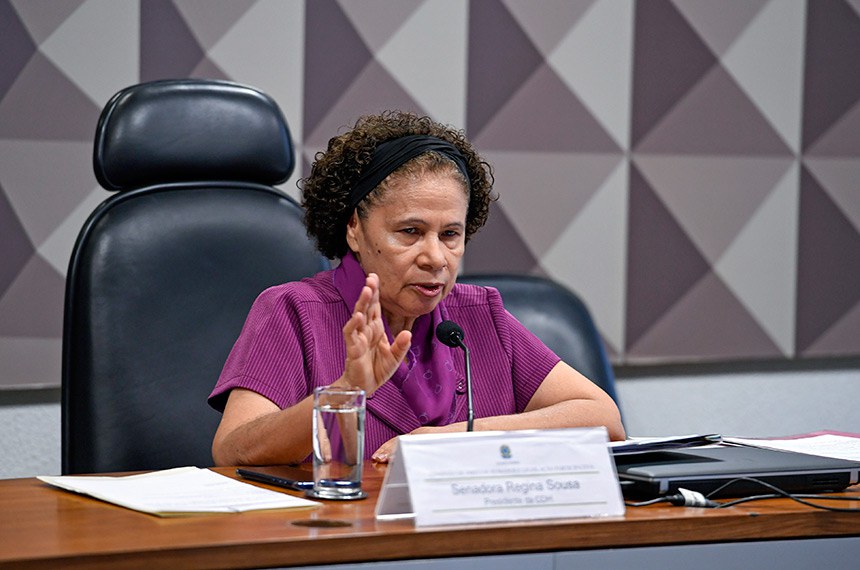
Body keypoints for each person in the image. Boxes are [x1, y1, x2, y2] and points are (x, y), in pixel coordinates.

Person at [209, 110, 625, 466]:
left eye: (450, 234)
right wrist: (343, 394)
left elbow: (603, 419)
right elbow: (233, 450)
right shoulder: (294, 311)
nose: (436, 258)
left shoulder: (479, 316)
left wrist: (459, 438)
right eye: (410, 232)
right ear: (353, 228)